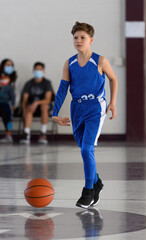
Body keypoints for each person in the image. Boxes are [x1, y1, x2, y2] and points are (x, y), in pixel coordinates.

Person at [52, 22, 118, 208]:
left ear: (91, 40)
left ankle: (88, 190)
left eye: (82, 37)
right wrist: (54, 113)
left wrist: (112, 102)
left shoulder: (100, 61)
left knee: (86, 149)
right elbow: (62, 89)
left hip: (95, 108)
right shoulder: (69, 63)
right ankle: (97, 182)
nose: (78, 40)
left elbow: (113, 78)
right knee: (84, 148)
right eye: (75, 37)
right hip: (77, 108)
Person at [20, 62, 54, 144]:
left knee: (44, 107)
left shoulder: (47, 83)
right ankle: (26, 134)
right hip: (31, 107)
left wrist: (36, 103)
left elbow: (48, 99)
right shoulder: (29, 83)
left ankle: (43, 133)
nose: (38, 71)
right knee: (28, 108)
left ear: (43, 71)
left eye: (40, 69)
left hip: (43, 106)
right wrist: (24, 109)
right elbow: (24, 100)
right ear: (33, 71)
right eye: (36, 69)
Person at [0, 75, 15, 143]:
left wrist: (12, 105)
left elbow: (12, 97)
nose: (3, 80)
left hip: (7, 105)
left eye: (5, 79)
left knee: (8, 120)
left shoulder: (9, 88)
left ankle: (9, 135)